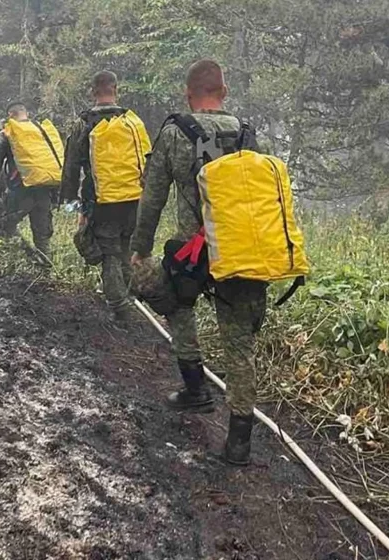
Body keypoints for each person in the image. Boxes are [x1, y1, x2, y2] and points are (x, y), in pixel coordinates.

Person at [130, 59, 266, 465]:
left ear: (188, 95)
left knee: (173, 300)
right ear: (224, 93)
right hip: (240, 249)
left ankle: (194, 387)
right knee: (239, 345)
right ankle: (239, 442)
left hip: (192, 255)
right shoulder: (247, 134)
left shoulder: (175, 133)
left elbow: (152, 198)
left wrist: (140, 248)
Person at [61, 70, 151, 321]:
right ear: (116, 89)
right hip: (134, 198)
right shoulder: (132, 121)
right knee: (126, 247)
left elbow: (71, 166)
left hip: (102, 201)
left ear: (93, 91)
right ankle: (130, 295)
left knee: (109, 252)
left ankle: (121, 306)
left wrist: (70, 198)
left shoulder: (85, 122)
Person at [0, 102, 63, 261]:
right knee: (42, 237)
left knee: (4, 226)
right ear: (26, 113)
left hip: (20, 192)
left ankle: (29, 257)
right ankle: (45, 269)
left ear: (10, 116)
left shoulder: (8, 133)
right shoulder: (41, 131)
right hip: (45, 191)